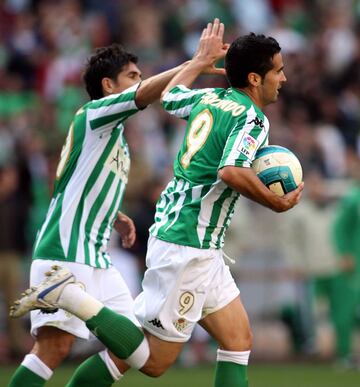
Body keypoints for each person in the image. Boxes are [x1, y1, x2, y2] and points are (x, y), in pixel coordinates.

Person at [10, 26, 304, 387]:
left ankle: (72, 299)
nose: (284, 78)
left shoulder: (210, 98)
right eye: (278, 70)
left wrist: (197, 66)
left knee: (237, 340)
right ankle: (68, 295)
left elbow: (170, 96)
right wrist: (274, 200)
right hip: (188, 243)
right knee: (150, 363)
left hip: (199, 243)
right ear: (256, 78)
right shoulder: (252, 118)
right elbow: (230, 171)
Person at [6, 34, 220, 387]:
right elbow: (144, 94)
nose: (140, 81)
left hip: (95, 257)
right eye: (132, 75)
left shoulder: (113, 134)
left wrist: (113, 214)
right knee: (52, 350)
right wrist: (194, 64)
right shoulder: (95, 114)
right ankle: (63, 291)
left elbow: (72, 184)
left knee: (134, 354)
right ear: (108, 85)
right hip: (65, 253)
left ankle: (67, 295)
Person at [330, 155, 360, 368]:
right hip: (354, 264)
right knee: (346, 311)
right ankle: (344, 354)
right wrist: (345, 254)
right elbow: (339, 229)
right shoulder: (352, 198)